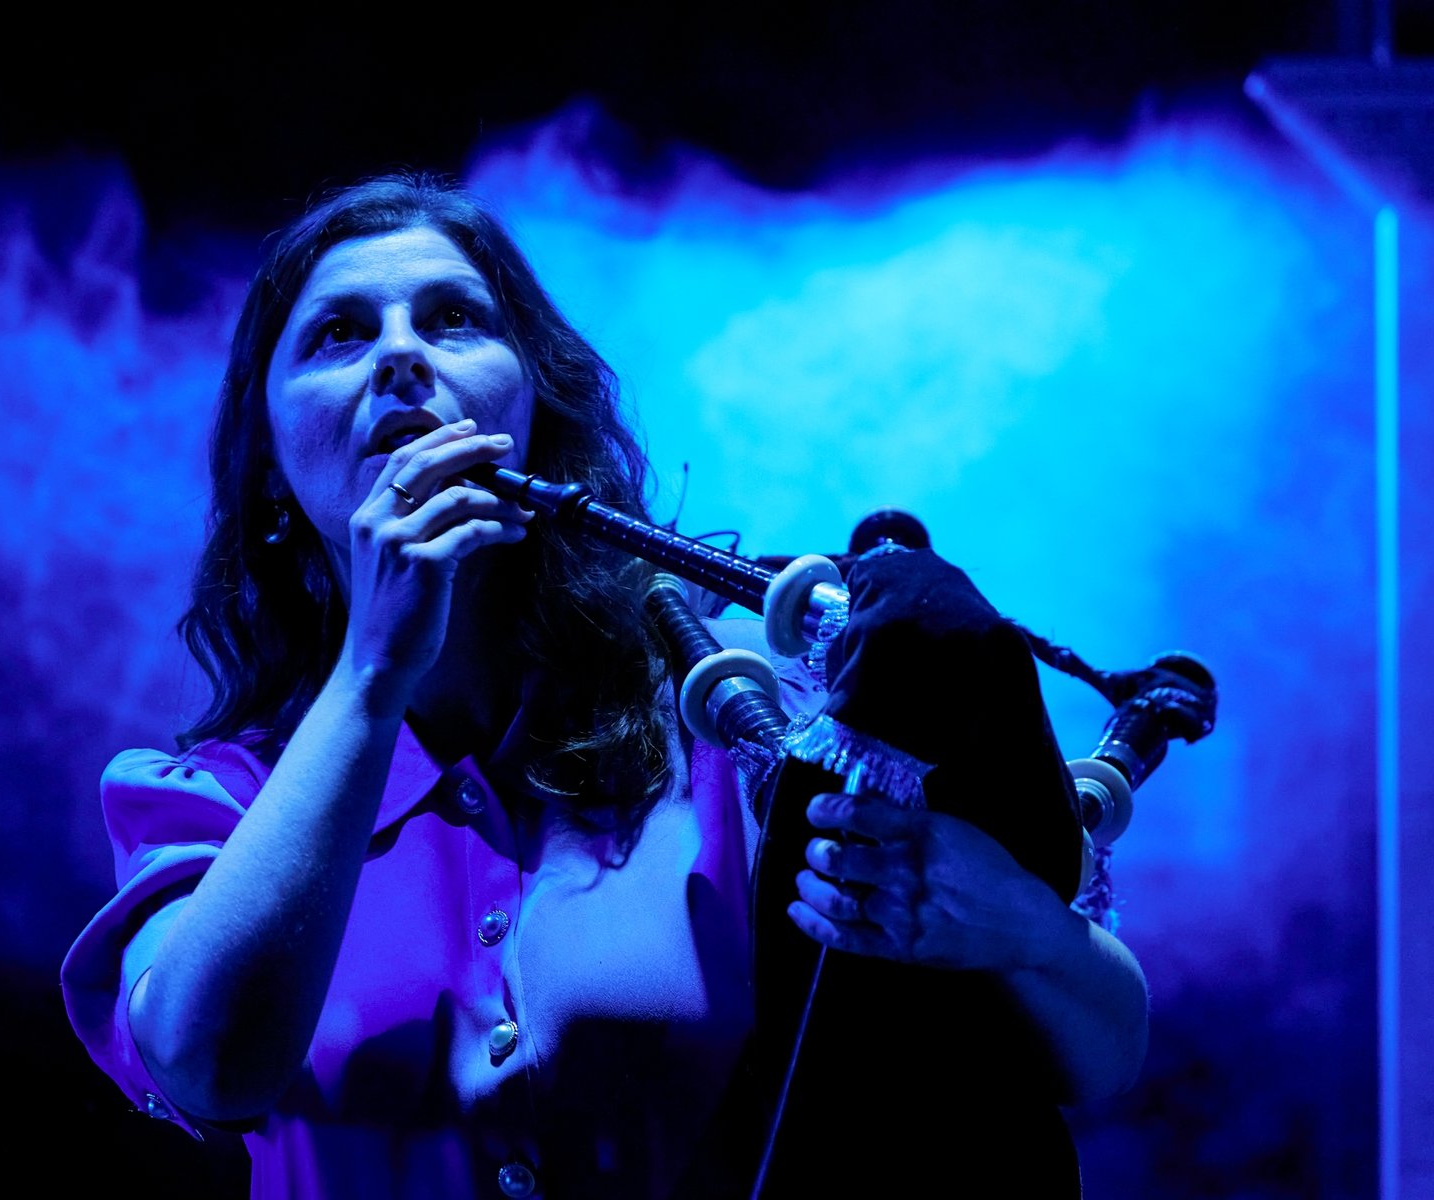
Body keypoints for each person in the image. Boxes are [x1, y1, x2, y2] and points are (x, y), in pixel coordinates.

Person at [60, 174, 1149, 1199]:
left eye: (453, 320)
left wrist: (1023, 928)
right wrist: (372, 672)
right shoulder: (203, 805)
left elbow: (1102, 1050)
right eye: (339, 334)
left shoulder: (737, 727)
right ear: (267, 467)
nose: (400, 357)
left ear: (537, 410)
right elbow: (210, 1065)